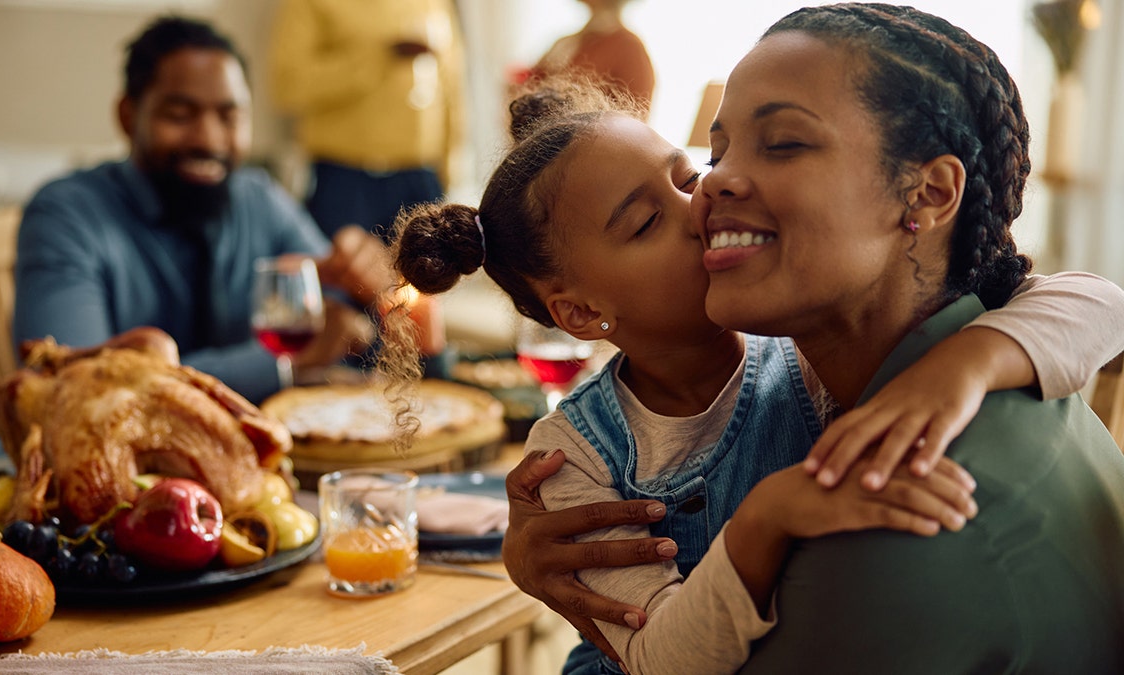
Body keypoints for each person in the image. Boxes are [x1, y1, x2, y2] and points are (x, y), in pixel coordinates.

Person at [381, 77, 1124, 673]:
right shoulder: (572, 458)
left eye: (686, 174)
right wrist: (770, 515)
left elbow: (1103, 305)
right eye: (644, 222)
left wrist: (972, 358)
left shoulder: (803, 343)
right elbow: (660, 656)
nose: (698, 205)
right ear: (580, 313)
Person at [693, 4, 1124, 672]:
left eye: (782, 143)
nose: (714, 177)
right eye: (717, 150)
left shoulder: (901, 505)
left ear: (928, 193)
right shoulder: (992, 364)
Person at [13, 16, 397, 405]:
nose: (209, 138)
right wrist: (282, 364)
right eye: (179, 115)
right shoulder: (66, 215)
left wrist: (365, 286)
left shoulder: (259, 198)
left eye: (228, 117)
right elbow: (74, 390)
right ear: (128, 116)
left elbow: (345, 321)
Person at [268, 0, 467, 242]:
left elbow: (453, 88)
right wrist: (375, 59)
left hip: (421, 178)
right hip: (346, 181)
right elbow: (288, 86)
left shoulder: (435, 4)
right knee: (345, 278)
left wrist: (450, 169)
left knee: (422, 278)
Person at [526, 0, 655, 118]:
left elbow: (638, 115)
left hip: (592, 140)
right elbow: (531, 88)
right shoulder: (568, 42)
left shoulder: (628, 46)